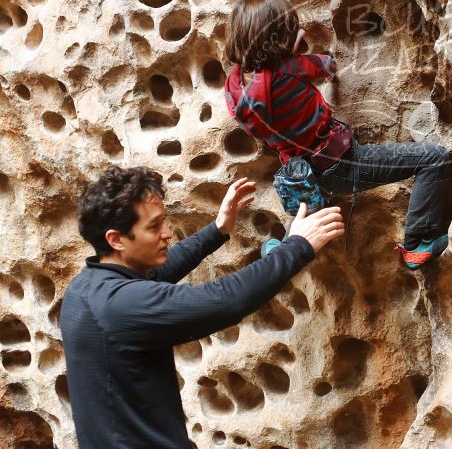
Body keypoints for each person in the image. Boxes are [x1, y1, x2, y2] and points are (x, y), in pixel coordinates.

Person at [61, 166, 343, 448]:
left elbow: (157, 274)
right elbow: (225, 300)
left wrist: (217, 230)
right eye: (154, 226)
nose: (167, 233)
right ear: (116, 239)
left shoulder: (86, 286)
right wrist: (298, 245)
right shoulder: (118, 306)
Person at [223, 0, 452, 269]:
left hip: (301, 176)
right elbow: (328, 65)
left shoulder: (234, 88)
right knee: (433, 158)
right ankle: (418, 243)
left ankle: (282, 250)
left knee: (309, 208)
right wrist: (298, 49)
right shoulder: (290, 69)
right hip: (340, 162)